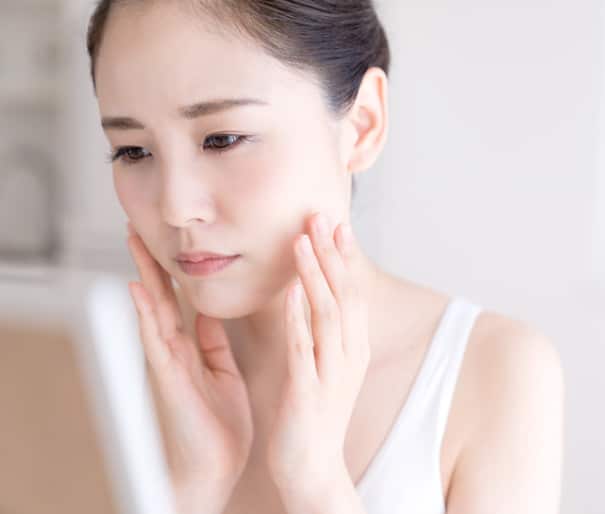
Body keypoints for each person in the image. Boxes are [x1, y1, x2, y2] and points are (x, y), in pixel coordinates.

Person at [85, 1, 565, 513]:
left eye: (222, 140)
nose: (176, 207)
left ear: (362, 125)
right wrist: (194, 485)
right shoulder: (99, 371)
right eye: (133, 151)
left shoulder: (490, 371)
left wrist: (314, 482)